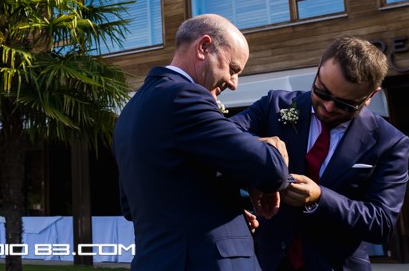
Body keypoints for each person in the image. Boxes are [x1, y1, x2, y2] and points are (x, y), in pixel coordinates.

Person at [113, 14, 291, 270]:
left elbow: (132, 206)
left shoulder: (129, 112)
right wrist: (270, 145)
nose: (233, 83)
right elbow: (271, 170)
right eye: (233, 69)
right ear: (203, 47)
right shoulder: (184, 96)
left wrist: (224, 213)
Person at [231, 37, 409, 271]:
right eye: (322, 92)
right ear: (318, 72)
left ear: (371, 96)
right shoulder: (276, 105)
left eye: (345, 104)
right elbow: (222, 135)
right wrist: (257, 149)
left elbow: (382, 224)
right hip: (268, 262)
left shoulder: (390, 142)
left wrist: (320, 198)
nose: (328, 107)